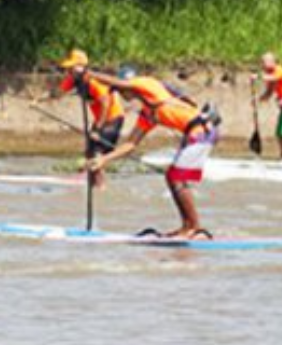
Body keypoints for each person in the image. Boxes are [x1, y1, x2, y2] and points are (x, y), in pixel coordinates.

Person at [84, 67, 218, 239]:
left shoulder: (147, 84)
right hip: (195, 135)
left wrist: (90, 75)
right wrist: (103, 160)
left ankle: (194, 229)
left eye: (119, 90)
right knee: (172, 176)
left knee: (175, 177)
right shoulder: (148, 113)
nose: (119, 93)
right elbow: (131, 144)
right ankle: (188, 226)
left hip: (202, 132)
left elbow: (122, 83)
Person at [43, 49, 126, 184]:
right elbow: (58, 93)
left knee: (96, 155)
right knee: (89, 152)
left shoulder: (93, 81)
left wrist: (97, 129)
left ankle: (99, 187)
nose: (68, 70)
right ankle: (90, 179)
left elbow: (106, 103)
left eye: (72, 67)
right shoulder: (72, 79)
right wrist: (39, 99)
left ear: (82, 67)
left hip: (113, 118)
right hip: (100, 119)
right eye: (68, 68)